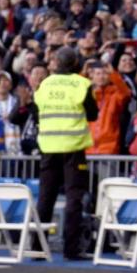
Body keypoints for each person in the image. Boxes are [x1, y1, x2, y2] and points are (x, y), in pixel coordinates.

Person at [34, 46, 98, 260]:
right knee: (74, 198)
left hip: (48, 147)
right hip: (72, 147)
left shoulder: (45, 84)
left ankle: (37, 247)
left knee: (45, 197)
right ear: (76, 64)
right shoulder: (81, 84)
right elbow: (93, 113)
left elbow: (37, 110)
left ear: (57, 62)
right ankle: (71, 250)